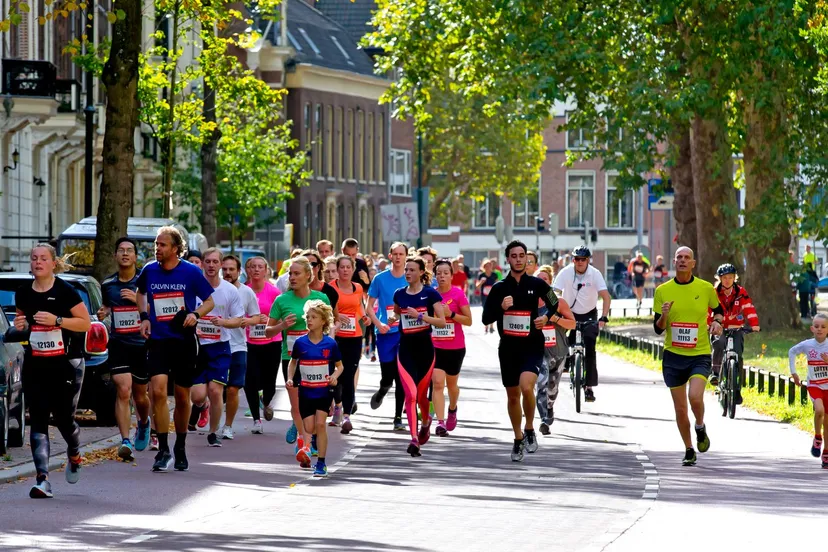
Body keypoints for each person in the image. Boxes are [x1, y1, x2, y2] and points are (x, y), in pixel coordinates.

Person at [11, 244, 91, 498]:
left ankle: (75, 452)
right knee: (38, 419)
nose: (38, 262)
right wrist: (20, 325)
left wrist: (58, 321)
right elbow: (23, 326)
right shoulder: (23, 293)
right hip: (36, 363)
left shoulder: (66, 291)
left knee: (65, 420)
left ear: (53, 263)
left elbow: (85, 323)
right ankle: (42, 479)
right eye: (34, 258)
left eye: (43, 258)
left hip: (65, 363)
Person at [137, 226, 215, 472]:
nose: (157, 248)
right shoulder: (149, 270)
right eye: (156, 245)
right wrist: (144, 316)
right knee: (158, 392)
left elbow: (210, 301)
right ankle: (163, 449)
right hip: (159, 341)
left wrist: (195, 314)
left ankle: (180, 446)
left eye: (162, 245)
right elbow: (140, 294)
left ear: (174, 248)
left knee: (182, 398)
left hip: (183, 342)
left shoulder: (191, 272)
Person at [482, 240, 559, 462]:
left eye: (522, 255)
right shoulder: (499, 288)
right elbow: (486, 318)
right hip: (508, 348)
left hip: (532, 345)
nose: (518, 259)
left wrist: (545, 317)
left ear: (527, 258)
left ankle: (529, 428)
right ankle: (517, 439)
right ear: (508, 259)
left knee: (527, 386)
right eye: (514, 256)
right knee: (513, 396)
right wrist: (501, 307)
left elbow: (554, 303)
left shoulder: (537, 284)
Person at [653, 246, 724, 467]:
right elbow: (657, 329)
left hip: (699, 354)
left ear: (693, 263)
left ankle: (700, 426)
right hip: (673, 356)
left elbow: (719, 310)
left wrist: (716, 322)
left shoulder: (705, 288)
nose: (683, 261)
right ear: (674, 262)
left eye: (687, 258)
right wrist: (664, 315)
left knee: (695, 397)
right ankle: (689, 448)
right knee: (680, 408)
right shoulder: (663, 290)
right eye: (679, 258)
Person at [266, 257, 331, 467]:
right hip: (292, 358)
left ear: (308, 276)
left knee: (314, 402)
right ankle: (304, 442)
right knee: (297, 403)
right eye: (290, 274)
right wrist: (282, 325)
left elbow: (329, 328)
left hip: (319, 360)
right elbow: (268, 331)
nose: (292, 277)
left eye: (296, 274)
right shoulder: (282, 300)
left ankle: (307, 435)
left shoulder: (321, 298)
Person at [98, 238, 151, 462]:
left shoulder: (145, 281)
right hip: (118, 343)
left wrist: (138, 301)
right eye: (121, 250)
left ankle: (144, 422)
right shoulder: (108, 284)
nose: (125, 254)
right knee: (123, 390)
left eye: (130, 250)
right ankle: (125, 440)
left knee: (140, 396)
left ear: (136, 256)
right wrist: (104, 311)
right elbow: (107, 306)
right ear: (115, 256)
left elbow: (157, 310)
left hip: (141, 344)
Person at [188, 248, 244, 447]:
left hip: (220, 346)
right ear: (202, 263)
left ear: (220, 265)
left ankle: (213, 432)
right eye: (207, 261)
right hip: (196, 347)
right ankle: (202, 407)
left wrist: (224, 323)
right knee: (197, 396)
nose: (211, 265)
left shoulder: (230, 291)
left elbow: (239, 319)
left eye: (215, 262)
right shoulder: (192, 286)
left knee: (215, 390)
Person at [390, 256, 446, 456]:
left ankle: (426, 421)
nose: (407, 273)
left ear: (422, 272)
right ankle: (414, 439)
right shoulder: (399, 294)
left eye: (412, 270)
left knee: (422, 396)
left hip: (425, 351)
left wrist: (421, 316)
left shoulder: (430, 294)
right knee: (411, 395)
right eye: (406, 269)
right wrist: (393, 317)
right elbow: (397, 313)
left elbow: (441, 321)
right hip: (405, 349)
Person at [286, 300, 344, 477]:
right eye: (308, 317)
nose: (309, 320)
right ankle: (305, 445)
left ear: (323, 321)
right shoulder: (300, 343)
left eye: (314, 317)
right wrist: (289, 378)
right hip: (306, 392)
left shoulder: (330, 344)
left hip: (323, 392)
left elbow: (340, 366)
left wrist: (334, 376)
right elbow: (293, 362)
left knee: (320, 425)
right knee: (309, 427)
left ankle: (321, 463)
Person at [552, 246, 610, 402]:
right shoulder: (565, 272)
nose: (579, 262)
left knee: (590, 345)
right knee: (563, 341)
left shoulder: (595, 274)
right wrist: (555, 309)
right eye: (576, 259)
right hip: (568, 313)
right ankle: (567, 361)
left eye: (583, 259)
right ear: (573, 260)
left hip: (589, 314)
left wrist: (603, 317)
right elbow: (554, 292)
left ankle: (589, 387)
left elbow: (605, 296)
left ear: (588, 260)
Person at [367, 242, 408, 431]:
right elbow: (369, 307)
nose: (398, 257)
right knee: (388, 378)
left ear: (406, 256)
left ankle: (398, 417)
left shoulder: (411, 278)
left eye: (402, 254)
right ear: (390, 256)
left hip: (406, 333)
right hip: (385, 333)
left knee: (401, 377)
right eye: (395, 254)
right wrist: (379, 324)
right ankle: (383, 389)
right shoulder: (380, 279)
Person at [221, 254, 261, 439]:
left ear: (239, 271)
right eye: (225, 269)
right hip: (216, 343)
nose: (228, 273)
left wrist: (246, 320)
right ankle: (204, 407)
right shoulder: (215, 289)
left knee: (233, 388)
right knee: (212, 389)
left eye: (231, 269)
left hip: (238, 345)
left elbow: (257, 317)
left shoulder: (246, 292)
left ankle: (228, 426)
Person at [432, 259, 472, 437]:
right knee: (438, 382)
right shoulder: (431, 295)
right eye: (439, 273)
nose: (442, 276)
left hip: (455, 347)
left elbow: (469, 321)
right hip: (435, 345)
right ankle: (440, 423)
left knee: (452, 385)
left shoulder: (458, 294)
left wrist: (451, 314)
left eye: (445, 273)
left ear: (451, 275)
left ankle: (452, 408)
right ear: (435, 275)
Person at [534, 265, 575, 435]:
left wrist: (555, 318)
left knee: (552, 388)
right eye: (539, 278)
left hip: (558, 351)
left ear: (550, 282)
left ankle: (550, 406)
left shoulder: (558, 301)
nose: (542, 281)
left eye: (545, 279)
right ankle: (544, 419)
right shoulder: (529, 301)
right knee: (541, 383)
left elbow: (572, 324)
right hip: (537, 351)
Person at [244, 256, 281, 435]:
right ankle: (256, 419)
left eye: (260, 267)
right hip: (249, 342)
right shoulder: (243, 291)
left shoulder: (274, 292)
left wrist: (269, 320)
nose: (256, 270)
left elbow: (281, 316)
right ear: (247, 271)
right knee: (250, 382)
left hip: (272, 342)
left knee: (270, 384)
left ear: (266, 270)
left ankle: (266, 401)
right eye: (252, 267)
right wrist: (249, 320)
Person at [708, 264, 760, 392]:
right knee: (719, 344)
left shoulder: (741, 292)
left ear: (734, 278)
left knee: (738, 353)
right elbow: (708, 310)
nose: (727, 280)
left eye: (730, 277)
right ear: (719, 278)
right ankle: (715, 373)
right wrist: (708, 324)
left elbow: (749, 308)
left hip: (736, 327)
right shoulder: (714, 292)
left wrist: (754, 325)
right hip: (719, 327)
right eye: (724, 277)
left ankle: (737, 386)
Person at [331, 254, 367, 433]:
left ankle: (347, 416)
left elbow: (359, 306)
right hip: (335, 337)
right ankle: (337, 405)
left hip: (354, 337)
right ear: (337, 270)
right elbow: (323, 310)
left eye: (348, 267)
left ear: (353, 269)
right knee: (335, 377)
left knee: (349, 375)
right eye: (342, 267)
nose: (345, 270)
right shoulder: (330, 288)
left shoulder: (358, 287)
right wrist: (336, 316)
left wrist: (365, 317)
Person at [789, 314, 828, 466]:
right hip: (815, 385)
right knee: (819, 410)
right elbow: (792, 351)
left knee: (827, 421)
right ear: (812, 328)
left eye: (823, 327)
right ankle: (817, 437)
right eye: (816, 326)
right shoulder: (808, 345)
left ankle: (826, 453)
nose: (819, 329)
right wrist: (794, 372)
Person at [477, 259, 498, 333]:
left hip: (492, 295)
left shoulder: (494, 275)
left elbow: (497, 284)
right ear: (484, 267)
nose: (488, 267)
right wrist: (481, 282)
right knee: (486, 310)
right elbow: (477, 286)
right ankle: (486, 326)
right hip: (484, 296)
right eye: (486, 266)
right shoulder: (481, 275)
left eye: (489, 265)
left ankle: (491, 326)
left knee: (492, 310)